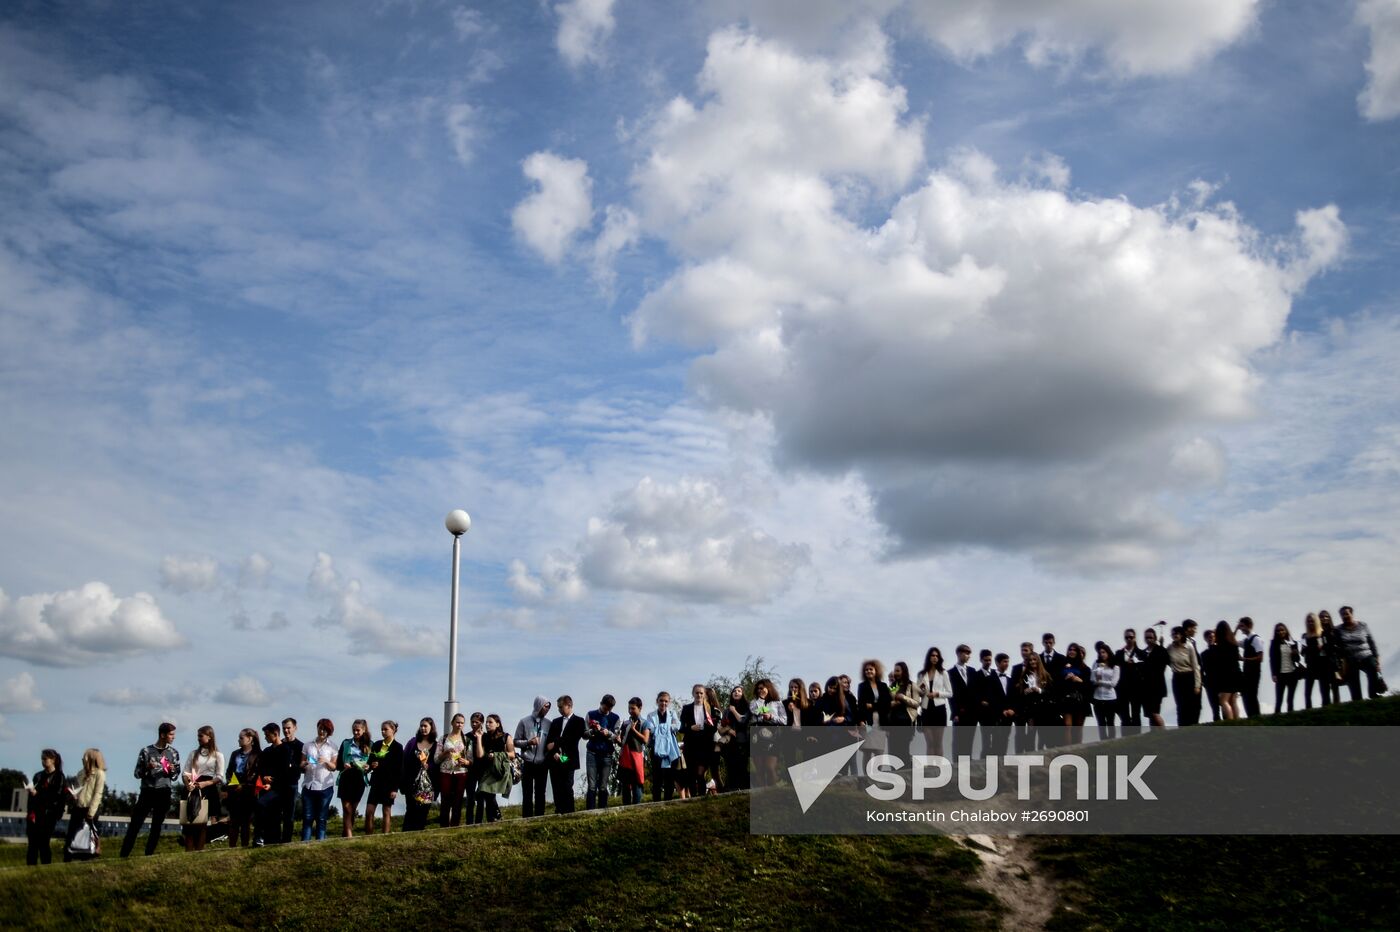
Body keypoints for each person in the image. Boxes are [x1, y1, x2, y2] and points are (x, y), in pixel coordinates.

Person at [120, 722, 179, 858]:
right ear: (162, 735)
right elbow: (136, 774)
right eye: (171, 734)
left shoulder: (174, 753)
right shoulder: (146, 751)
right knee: (136, 823)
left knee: (157, 825)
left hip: (164, 791)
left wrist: (172, 770)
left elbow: (175, 777)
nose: (173, 737)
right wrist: (147, 768)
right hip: (147, 791)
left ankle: (149, 854)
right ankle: (124, 854)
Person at [181, 725, 225, 852]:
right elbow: (186, 772)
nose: (198, 738)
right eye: (197, 736)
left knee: (202, 824)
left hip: (208, 788)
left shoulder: (218, 755)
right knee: (189, 824)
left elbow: (219, 776)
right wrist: (187, 783)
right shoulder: (193, 753)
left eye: (201, 736)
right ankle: (188, 852)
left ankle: (199, 851)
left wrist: (205, 783)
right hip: (192, 788)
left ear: (209, 737)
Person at [513, 696, 553, 818]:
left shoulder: (549, 723)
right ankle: (527, 817)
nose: (547, 709)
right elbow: (515, 741)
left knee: (541, 792)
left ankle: (540, 816)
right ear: (538, 706)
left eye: (548, 707)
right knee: (527, 792)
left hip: (542, 763)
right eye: (545, 706)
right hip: (528, 762)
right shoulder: (524, 722)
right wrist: (528, 742)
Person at [545, 695, 586, 814]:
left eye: (561, 707)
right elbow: (549, 742)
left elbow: (573, 739)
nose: (559, 710)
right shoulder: (556, 722)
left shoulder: (578, 721)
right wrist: (555, 752)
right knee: (556, 786)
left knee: (567, 785)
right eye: (558, 707)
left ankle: (569, 811)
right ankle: (559, 810)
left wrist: (556, 742)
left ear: (569, 706)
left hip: (568, 758)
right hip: (555, 758)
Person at [63, 748, 106, 862]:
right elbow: (79, 789)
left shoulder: (99, 774)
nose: (82, 759)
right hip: (78, 807)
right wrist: (74, 796)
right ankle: (68, 857)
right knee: (72, 834)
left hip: (90, 809)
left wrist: (91, 812)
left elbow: (98, 793)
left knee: (88, 835)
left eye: (85, 757)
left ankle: (87, 857)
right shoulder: (80, 773)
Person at [25, 749, 65, 865]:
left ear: (53, 760)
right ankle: (30, 868)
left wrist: (37, 794)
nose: (43, 761)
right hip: (35, 814)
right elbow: (31, 799)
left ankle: (46, 867)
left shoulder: (59, 777)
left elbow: (55, 797)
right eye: (42, 759)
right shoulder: (38, 776)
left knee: (43, 843)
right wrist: (31, 812)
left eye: (45, 759)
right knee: (32, 844)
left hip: (48, 815)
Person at [473, 714, 515, 822]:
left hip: (500, 769)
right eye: (486, 722)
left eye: (490, 722)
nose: (487, 724)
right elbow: (480, 755)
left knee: (485, 790)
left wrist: (496, 755)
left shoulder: (506, 736)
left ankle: (494, 816)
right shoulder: (485, 737)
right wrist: (478, 738)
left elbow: (512, 754)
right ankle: (495, 817)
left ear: (498, 724)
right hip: (487, 770)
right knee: (487, 792)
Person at [1337, 606, 1384, 701]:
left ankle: (1373, 694)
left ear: (1351, 614)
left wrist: (1377, 660)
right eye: (1342, 615)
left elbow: (1372, 643)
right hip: (1350, 659)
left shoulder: (1363, 625)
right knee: (1353, 683)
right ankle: (1357, 700)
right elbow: (1338, 646)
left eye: (1347, 613)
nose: (1345, 616)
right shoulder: (1338, 629)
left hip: (1366, 655)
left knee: (1372, 669)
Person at [300, 719, 337, 841]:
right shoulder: (307, 745)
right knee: (307, 817)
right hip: (309, 785)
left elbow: (334, 767)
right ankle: (304, 845)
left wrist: (326, 761)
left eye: (325, 730)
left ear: (329, 732)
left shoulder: (332, 746)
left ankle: (320, 844)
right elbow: (301, 764)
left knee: (321, 818)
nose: (322, 731)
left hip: (324, 787)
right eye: (320, 728)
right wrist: (304, 763)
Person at [254, 722, 289, 846]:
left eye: (267, 735)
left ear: (275, 734)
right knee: (266, 812)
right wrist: (264, 777)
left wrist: (272, 783)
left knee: (272, 812)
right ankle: (264, 839)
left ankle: (263, 837)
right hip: (265, 786)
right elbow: (260, 768)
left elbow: (284, 771)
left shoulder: (285, 750)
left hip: (279, 789)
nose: (265, 737)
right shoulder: (267, 751)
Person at [364, 721, 402, 835]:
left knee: (386, 811)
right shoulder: (376, 744)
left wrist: (395, 789)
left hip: (389, 784)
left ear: (393, 730)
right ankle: (368, 837)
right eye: (382, 729)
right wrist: (369, 766)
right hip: (376, 783)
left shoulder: (398, 747)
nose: (383, 732)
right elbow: (370, 762)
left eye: (385, 729)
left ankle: (385, 837)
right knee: (369, 811)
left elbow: (399, 770)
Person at [224, 728, 260, 847]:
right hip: (234, 789)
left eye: (241, 738)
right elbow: (229, 771)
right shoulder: (235, 754)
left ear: (250, 739)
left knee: (245, 822)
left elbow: (256, 774)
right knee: (234, 821)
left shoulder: (257, 755)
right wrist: (233, 784)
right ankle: (232, 846)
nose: (238, 740)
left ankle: (245, 846)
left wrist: (244, 786)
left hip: (248, 790)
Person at [749, 679, 787, 788]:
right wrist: (761, 699)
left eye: (763, 688)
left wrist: (771, 717)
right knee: (759, 769)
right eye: (758, 688)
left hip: (773, 735)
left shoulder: (778, 703)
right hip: (757, 734)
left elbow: (784, 720)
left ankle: (774, 792)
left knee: (770, 767)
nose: (760, 690)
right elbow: (755, 711)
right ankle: (762, 796)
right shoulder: (753, 702)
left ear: (769, 688)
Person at [681, 684, 718, 796]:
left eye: (701, 693)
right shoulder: (686, 708)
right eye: (697, 692)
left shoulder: (710, 708)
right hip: (691, 744)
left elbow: (714, 728)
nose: (699, 695)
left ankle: (702, 797)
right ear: (693, 693)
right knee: (691, 773)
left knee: (700, 773)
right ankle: (693, 798)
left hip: (705, 745)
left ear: (704, 694)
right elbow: (681, 728)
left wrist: (709, 725)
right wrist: (690, 728)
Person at [645, 692, 683, 802]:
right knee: (657, 777)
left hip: (671, 749)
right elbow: (651, 729)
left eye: (666, 701)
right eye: (661, 700)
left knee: (670, 777)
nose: (663, 703)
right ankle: (656, 801)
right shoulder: (651, 715)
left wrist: (661, 728)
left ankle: (668, 800)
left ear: (669, 702)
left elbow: (677, 726)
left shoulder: (672, 713)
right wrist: (667, 728)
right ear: (657, 701)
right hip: (656, 749)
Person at [402, 717, 438, 832]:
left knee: (423, 812)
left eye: (425, 726)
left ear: (431, 728)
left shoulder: (436, 745)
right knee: (410, 810)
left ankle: (418, 834)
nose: (423, 728)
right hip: (412, 783)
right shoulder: (412, 742)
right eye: (421, 726)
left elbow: (438, 764)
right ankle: (405, 835)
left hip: (428, 785)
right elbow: (404, 761)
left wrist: (429, 766)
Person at [585, 695, 621, 810]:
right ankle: (590, 810)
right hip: (592, 753)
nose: (607, 710)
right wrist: (592, 731)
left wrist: (609, 734)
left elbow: (617, 738)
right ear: (601, 704)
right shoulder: (591, 714)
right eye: (606, 708)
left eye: (610, 709)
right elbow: (584, 735)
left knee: (603, 785)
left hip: (607, 755)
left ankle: (603, 809)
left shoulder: (615, 718)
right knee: (591, 785)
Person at [436, 712, 471, 828]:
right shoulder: (443, 738)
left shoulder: (466, 740)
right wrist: (445, 753)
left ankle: (455, 826)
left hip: (461, 773)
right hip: (445, 772)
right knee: (445, 800)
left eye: (462, 723)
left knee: (458, 801)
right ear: (452, 723)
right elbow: (436, 759)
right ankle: (444, 826)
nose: (459, 725)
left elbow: (471, 760)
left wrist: (466, 762)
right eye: (457, 722)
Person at [336, 719, 370, 838]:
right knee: (347, 809)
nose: (355, 732)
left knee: (352, 810)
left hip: (359, 779)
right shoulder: (346, 743)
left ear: (364, 730)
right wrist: (343, 764)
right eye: (354, 730)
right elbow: (338, 764)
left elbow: (372, 764)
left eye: (358, 730)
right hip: (346, 777)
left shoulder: (370, 744)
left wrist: (368, 767)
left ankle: (345, 835)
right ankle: (350, 838)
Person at [1012, 647, 1050, 752]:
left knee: (1042, 734)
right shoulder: (1024, 675)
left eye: (1034, 660)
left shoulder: (1045, 675)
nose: (1033, 662)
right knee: (1030, 732)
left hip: (1042, 708)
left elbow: (1051, 692)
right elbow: (1019, 691)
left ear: (1038, 661)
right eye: (1030, 660)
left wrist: (1039, 690)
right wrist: (1025, 691)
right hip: (1029, 708)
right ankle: (1029, 754)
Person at [917, 648, 952, 758]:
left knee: (938, 742)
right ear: (929, 657)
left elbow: (950, 693)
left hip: (939, 709)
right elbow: (918, 691)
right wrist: (921, 692)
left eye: (937, 656)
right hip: (926, 709)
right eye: (932, 655)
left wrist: (937, 694)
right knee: (930, 742)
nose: (935, 657)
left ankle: (939, 768)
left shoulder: (943, 673)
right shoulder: (922, 674)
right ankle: (930, 769)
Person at [1167, 625, 1203, 726]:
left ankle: (1193, 725)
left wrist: (1197, 685)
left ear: (1181, 634)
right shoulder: (1170, 648)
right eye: (1173, 634)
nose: (1174, 635)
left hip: (1189, 676)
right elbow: (1165, 659)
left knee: (1193, 705)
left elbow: (1196, 666)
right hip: (1177, 678)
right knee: (1180, 705)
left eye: (1176, 633)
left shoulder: (1189, 646)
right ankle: (1182, 726)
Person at [618, 698, 651, 804]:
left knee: (637, 781)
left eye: (633, 708)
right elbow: (622, 742)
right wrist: (617, 740)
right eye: (629, 708)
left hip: (637, 755)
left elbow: (645, 740)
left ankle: (637, 806)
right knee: (625, 783)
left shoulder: (645, 723)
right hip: (625, 756)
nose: (630, 711)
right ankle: (625, 807)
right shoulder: (625, 723)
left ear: (640, 708)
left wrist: (634, 730)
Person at [885, 663, 919, 763]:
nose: (896, 673)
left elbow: (917, 703)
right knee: (894, 750)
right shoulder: (892, 686)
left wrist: (903, 698)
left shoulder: (911, 685)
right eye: (895, 671)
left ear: (904, 671)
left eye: (898, 671)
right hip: (893, 722)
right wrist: (894, 703)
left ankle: (907, 773)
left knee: (904, 749)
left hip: (906, 721)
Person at [718, 685, 750, 792]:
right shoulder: (727, 710)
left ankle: (745, 787)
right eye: (734, 691)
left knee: (742, 764)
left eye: (739, 691)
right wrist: (728, 730)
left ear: (742, 694)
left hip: (742, 740)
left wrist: (734, 711)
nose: (736, 692)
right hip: (730, 741)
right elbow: (722, 725)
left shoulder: (747, 707)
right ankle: (732, 788)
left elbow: (743, 721)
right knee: (730, 765)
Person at [1209, 621, 1243, 720]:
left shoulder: (1219, 647)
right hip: (1236, 673)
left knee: (1223, 700)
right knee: (1233, 700)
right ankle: (1237, 721)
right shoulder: (1234, 645)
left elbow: (1216, 662)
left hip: (1225, 675)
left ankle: (1230, 721)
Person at [949, 645, 977, 761]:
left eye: (969, 653)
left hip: (972, 713)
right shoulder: (950, 673)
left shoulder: (972, 671)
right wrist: (955, 712)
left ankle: (968, 763)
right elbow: (951, 695)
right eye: (966, 653)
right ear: (959, 654)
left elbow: (975, 692)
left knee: (969, 739)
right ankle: (957, 764)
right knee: (958, 740)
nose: (968, 656)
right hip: (959, 713)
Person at [1059, 644, 1091, 744]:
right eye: (1070, 649)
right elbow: (1057, 683)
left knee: (1078, 727)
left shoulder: (1085, 668)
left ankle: (1078, 749)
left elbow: (1088, 686)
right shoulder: (1063, 665)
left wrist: (1078, 680)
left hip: (1080, 699)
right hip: (1067, 699)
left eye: (1074, 650)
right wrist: (1065, 678)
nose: (1072, 651)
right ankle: (1068, 750)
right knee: (1067, 725)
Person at [1139, 625, 1170, 727]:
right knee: (1149, 714)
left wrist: (1161, 646)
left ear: (1155, 638)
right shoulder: (1142, 653)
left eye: (1150, 637)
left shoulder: (1160, 650)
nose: (1148, 639)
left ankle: (1163, 731)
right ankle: (1154, 734)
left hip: (1157, 686)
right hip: (1145, 687)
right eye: (1147, 637)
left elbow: (1165, 663)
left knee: (1154, 712)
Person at [1269, 623, 1303, 714]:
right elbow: (1272, 659)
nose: (1280, 632)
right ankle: (1276, 716)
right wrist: (1273, 674)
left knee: (1290, 698)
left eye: (1282, 630)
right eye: (1278, 630)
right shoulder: (1274, 643)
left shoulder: (1293, 643)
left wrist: (1295, 654)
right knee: (1279, 699)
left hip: (1292, 673)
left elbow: (1297, 659)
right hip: (1281, 674)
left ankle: (1290, 716)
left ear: (1286, 631)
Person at [1115, 629, 1145, 729]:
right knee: (1124, 715)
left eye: (1131, 637)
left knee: (1136, 713)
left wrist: (1136, 664)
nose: (1129, 639)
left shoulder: (1141, 653)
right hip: (1122, 688)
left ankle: (1137, 738)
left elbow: (1146, 668)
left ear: (1135, 638)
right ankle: (1126, 737)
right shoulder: (1119, 653)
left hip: (1137, 688)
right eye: (1127, 637)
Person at [1301, 613, 1332, 709]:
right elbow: (1303, 651)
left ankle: (1326, 707)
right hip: (1310, 664)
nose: (1310, 623)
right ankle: (1308, 709)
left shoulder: (1323, 634)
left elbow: (1327, 649)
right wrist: (1314, 648)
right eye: (1308, 621)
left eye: (1312, 621)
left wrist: (1317, 648)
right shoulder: (1304, 636)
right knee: (1307, 691)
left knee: (1324, 689)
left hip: (1323, 664)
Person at [280, 717, 303, 844]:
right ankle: (274, 839)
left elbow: (303, 765)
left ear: (295, 728)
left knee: (289, 814)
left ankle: (286, 841)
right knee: (276, 813)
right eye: (284, 728)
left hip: (292, 783)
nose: (286, 731)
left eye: (288, 728)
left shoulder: (300, 746)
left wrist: (292, 766)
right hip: (277, 783)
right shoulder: (279, 744)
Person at [1090, 643, 1121, 738]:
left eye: (1104, 652)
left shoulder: (1115, 667)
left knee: (1110, 722)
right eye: (1100, 653)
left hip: (1110, 698)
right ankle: (1102, 742)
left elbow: (1113, 684)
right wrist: (1098, 679)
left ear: (1108, 653)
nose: (1102, 654)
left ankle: (1112, 742)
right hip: (1098, 698)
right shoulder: (1096, 664)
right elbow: (1092, 679)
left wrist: (1100, 682)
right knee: (1101, 723)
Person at [1238, 617, 1265, 718]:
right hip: (1247, 671)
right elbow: (1232, 641)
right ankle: (1251, 715)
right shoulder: (1246, 640)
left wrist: (1244, 659)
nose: (1241, 628)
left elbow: (1260, 657)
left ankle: (1256, 715)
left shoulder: (1256, 639)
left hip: (1254, 671)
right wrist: (1236, 629)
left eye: (1242, 626)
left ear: (1248, 625)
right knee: (1246, 694)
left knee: (1252, 695)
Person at [1319, 610, 1343, 704]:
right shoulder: (1319, 632)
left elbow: (1339, 646)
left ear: (1329, 618)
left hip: (1333, 662)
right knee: (1324, 688)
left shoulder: (1335, 631)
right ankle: (1326, 706)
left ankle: (1337, 706)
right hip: (1321, 663)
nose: (1324, 618)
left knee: (1335, 686)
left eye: (1326, 616)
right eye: (1322, 617)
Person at [1199, 628, 1221, 721]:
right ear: (1205, 639)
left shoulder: (1220, 650)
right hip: (1210, 682)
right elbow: (1201, 669)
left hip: (1221, 680)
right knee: (1214, 707)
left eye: (1212, 636)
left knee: (1223, 703)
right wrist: (1203, 681)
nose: (1210, 638)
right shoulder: (1203, 654)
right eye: (1208, 637)